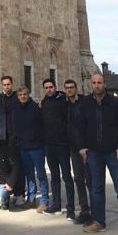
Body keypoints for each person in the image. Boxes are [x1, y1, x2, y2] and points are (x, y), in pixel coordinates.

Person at [79, 73, 118, 235]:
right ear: (91, 84)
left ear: (104, 84)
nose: (97, 85)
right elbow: (81, 126)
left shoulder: (116, 103)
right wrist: (82, 147)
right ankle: (99, 222)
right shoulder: (85, 103)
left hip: (113, 153)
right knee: (96, 189)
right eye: (94, 83)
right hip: (94, 153)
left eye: (100, 83)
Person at [41, 78, 75, 218]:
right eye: (46, 87)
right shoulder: (43, 102)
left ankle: (71, 208)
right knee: (54, 177)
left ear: (55, 87)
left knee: (67, 176)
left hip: (62, 145)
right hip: (49, 146)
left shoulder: (63, 100)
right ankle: (56, 204)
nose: (49, 89)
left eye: (51, 87)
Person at [12, 86, 49, 212]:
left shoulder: (35, 108)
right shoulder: (16, 109)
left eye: (25, 94)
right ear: (18, 96)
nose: (23, 96)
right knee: (29, 175)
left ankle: (44, 200)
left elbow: (42, 126)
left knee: (41, 174)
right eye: (21, 94)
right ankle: (31, 199)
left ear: (29, 95)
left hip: (37, 147)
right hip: (23, 147)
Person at [64, 78, 92, 224]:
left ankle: (95, 211)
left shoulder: (85, 103)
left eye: (71, 87)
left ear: (76, 88)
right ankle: (84, 210)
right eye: (67, 88)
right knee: (79, 180)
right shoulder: (65, 104)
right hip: (74, 149)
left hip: (86, 149)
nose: (69, 90)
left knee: (90, 181)